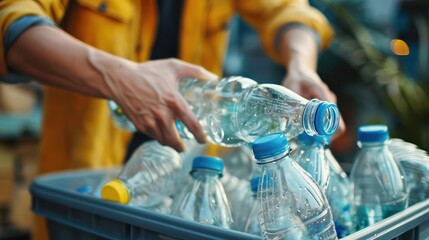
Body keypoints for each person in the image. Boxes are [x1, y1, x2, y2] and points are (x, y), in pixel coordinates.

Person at [0, 1, 342, 238]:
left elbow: (288, 10)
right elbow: (11, 20)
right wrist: (117, 77)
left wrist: (300, 65)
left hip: (188, 180)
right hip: (91, 185)